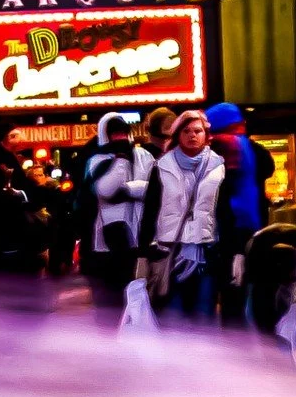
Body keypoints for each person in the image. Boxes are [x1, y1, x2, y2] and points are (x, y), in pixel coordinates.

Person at [137, 109, 227, 323]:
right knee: (173, 319)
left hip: (206, 252)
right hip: (170, 252)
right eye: (186, 131)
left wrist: (234, 250)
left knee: (204, 318)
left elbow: (224, 212)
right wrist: (142, 255)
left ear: (206, 135)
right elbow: (150, 211)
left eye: (198, 131)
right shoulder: (161, 167)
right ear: (177, 134)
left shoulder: (219, 167)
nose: (192, 135)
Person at [205, 101, 275, 323]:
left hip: (222, 233)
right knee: (245, 292)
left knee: (226, 294)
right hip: (253, 232)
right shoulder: (255, 151)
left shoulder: (217, 150)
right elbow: (268, 169)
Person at [84, 113, 155, 324]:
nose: (120, 138)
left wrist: (127, 190)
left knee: (139, 301)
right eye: (115, 134)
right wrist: (122, 160)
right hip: (109, 245)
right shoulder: (98, 159)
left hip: (140, 240)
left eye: (123, 133)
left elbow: (154, 189)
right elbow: (105, 189)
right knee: (111, 306)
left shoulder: (144, 156)